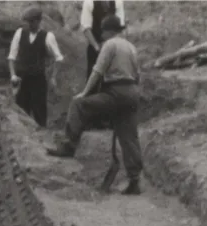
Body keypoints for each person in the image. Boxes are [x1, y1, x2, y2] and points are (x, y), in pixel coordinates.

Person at [47, 15, 143, 196]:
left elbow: (97, 71)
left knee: (78, 105)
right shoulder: (131, 47)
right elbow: (138, 75)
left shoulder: (110, 45)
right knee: (129, 137)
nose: (102, 35)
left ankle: (68, 146)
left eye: (103, 31)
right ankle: (134, 180)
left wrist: (85, 93)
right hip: (131, 93)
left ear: (108, 31)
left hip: (116, 91)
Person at [8, 5, 65, 128]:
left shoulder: (48, 36)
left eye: (31, 22)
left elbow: (59, 58)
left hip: (38, 80)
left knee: (39, 112)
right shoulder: (20, 33)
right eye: (27, 22)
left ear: (38, 21)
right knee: (21, 112)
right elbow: (12, 57)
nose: (28, 25)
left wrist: (54, 77)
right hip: (21, 79)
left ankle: (42, 139)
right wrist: (13, 74)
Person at [80, 0, 125, 87]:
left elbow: (121, 28)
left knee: (113, 80)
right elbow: (86, 28)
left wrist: (113, 46)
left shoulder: (118, 2)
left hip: (114, 48)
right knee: (93, 80)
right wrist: (97, 47)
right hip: (95, 47)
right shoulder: (89, 2)